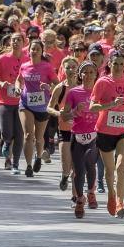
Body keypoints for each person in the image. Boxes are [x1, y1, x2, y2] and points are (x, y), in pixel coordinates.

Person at [90, 51, 124, 218]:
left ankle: (119, 202)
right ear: (109, 64)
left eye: (121, 64)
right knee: (109, 170)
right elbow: (92, 107)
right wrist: (110, 104)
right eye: (115, 63)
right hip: (104, 130)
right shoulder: (102, 82)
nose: (118, 67)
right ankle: (111, 194)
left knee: (120, 166)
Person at [61, 61, 100, 217]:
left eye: (91, 72)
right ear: (80, 75)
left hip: (94, 135)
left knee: (90, 162)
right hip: (77, 135)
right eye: (85, 72)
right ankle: (79, 200)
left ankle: (91, 192)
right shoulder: (73, 92)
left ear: (96, 74)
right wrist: (75, 111)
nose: (88, 75)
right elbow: (65, 115)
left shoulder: (100, 91)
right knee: (78, 171)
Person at [0, 33, 27, 174]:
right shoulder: (2, 59)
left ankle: (14, 163)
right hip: (4, 101)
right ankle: (6, 143)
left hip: (23, 103)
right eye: (13, 40)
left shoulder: (28, 60)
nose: (16, 42)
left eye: (19, 40)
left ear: (24, 42)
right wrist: (1, 83)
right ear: (10, 43)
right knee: (6, 132)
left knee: (19, 134)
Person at [17, 40, 55, 178]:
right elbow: (19, 80)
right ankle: (28, 165)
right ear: (29, 51)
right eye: (33, 49)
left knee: (39, 138)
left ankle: (38, 157)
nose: (34, 51)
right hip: (25, 103)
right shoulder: (24, 66)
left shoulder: (47, 67)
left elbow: (57, 84)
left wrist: (48, 87)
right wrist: (17, 87)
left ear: (41, 51)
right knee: (28, 135)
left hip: (42, 106)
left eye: (37, 49)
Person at [49, 57, 78, 190]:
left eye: (73, 67)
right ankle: (65, 176)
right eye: (68, 67)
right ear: (63, 69)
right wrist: (58, 114)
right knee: (66, 164)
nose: (71, 70)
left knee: (76, 167)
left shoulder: (84, 87)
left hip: (81, 131)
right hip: (64, 129)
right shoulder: (60, 88)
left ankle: (75, 197)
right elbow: (49, 107)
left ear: (78, 69)